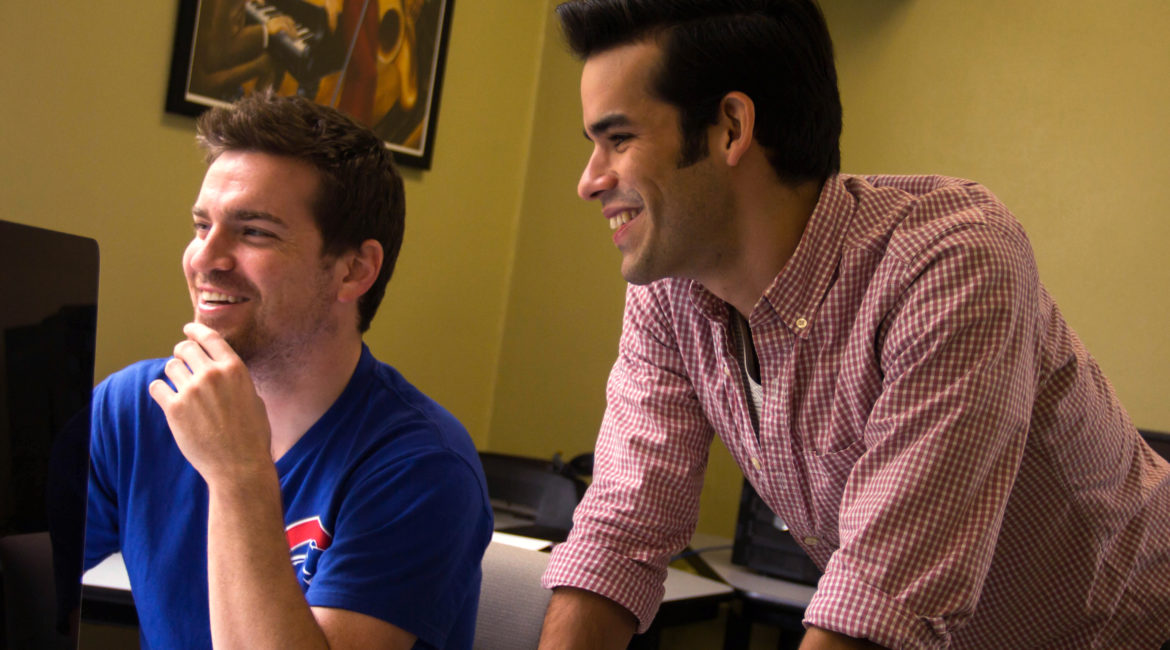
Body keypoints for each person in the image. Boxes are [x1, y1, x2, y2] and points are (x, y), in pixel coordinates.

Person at [537, 1, 1170, 648]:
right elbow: (619, 536)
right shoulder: (671, 291)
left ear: (731, 126)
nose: (589, 182)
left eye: (619, 139)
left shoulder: (949, 262)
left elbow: (877, 598)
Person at [84, 92, 493, 649]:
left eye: (254, 232)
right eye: (203, 226)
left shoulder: (422, 467)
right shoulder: (135, 406)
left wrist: (238, 477)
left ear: (354, 270)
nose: (205, 258)